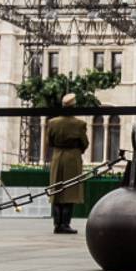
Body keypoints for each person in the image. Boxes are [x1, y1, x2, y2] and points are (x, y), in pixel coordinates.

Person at [43, 98, 90, 236]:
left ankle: (57, 224)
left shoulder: (52, 122)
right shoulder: (79, 124)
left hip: (57, 156)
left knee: (57, 191)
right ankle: (65, 224)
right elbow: (85, 143)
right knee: (70, 191)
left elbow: (49, 141)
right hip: (73, 157)